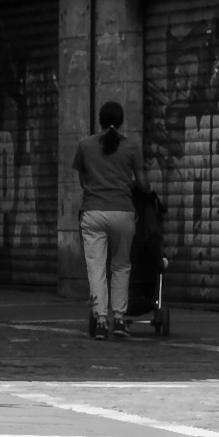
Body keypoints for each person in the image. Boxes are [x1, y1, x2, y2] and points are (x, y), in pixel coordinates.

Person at [73, 101, 145, 340]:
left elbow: (83, 181)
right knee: (121, 265)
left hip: (93, 212)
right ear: (122, 122)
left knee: (96, 267)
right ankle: (120, 319)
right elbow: (143, 183)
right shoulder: (131, 147)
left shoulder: (85, 145)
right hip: (123, 212)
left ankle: (101, 321)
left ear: (99, 121)